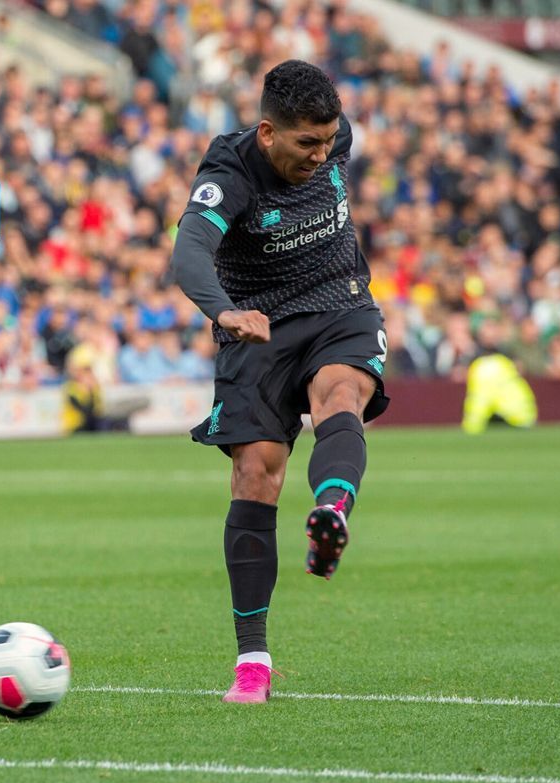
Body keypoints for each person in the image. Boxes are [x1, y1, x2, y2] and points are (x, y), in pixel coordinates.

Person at [169, 61, 389, 705]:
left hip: (339, 304)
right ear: (267, 133)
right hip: (256, 326)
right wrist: (225, 312)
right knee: (257, 476)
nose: (322, 156)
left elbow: (331, 140)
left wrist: (326, 141)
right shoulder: (229, 173)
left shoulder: (332, 137)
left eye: (329, 142)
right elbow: (188, 253)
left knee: (341, 396)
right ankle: (253, 664)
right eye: (306, 145)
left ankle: (332, 511)